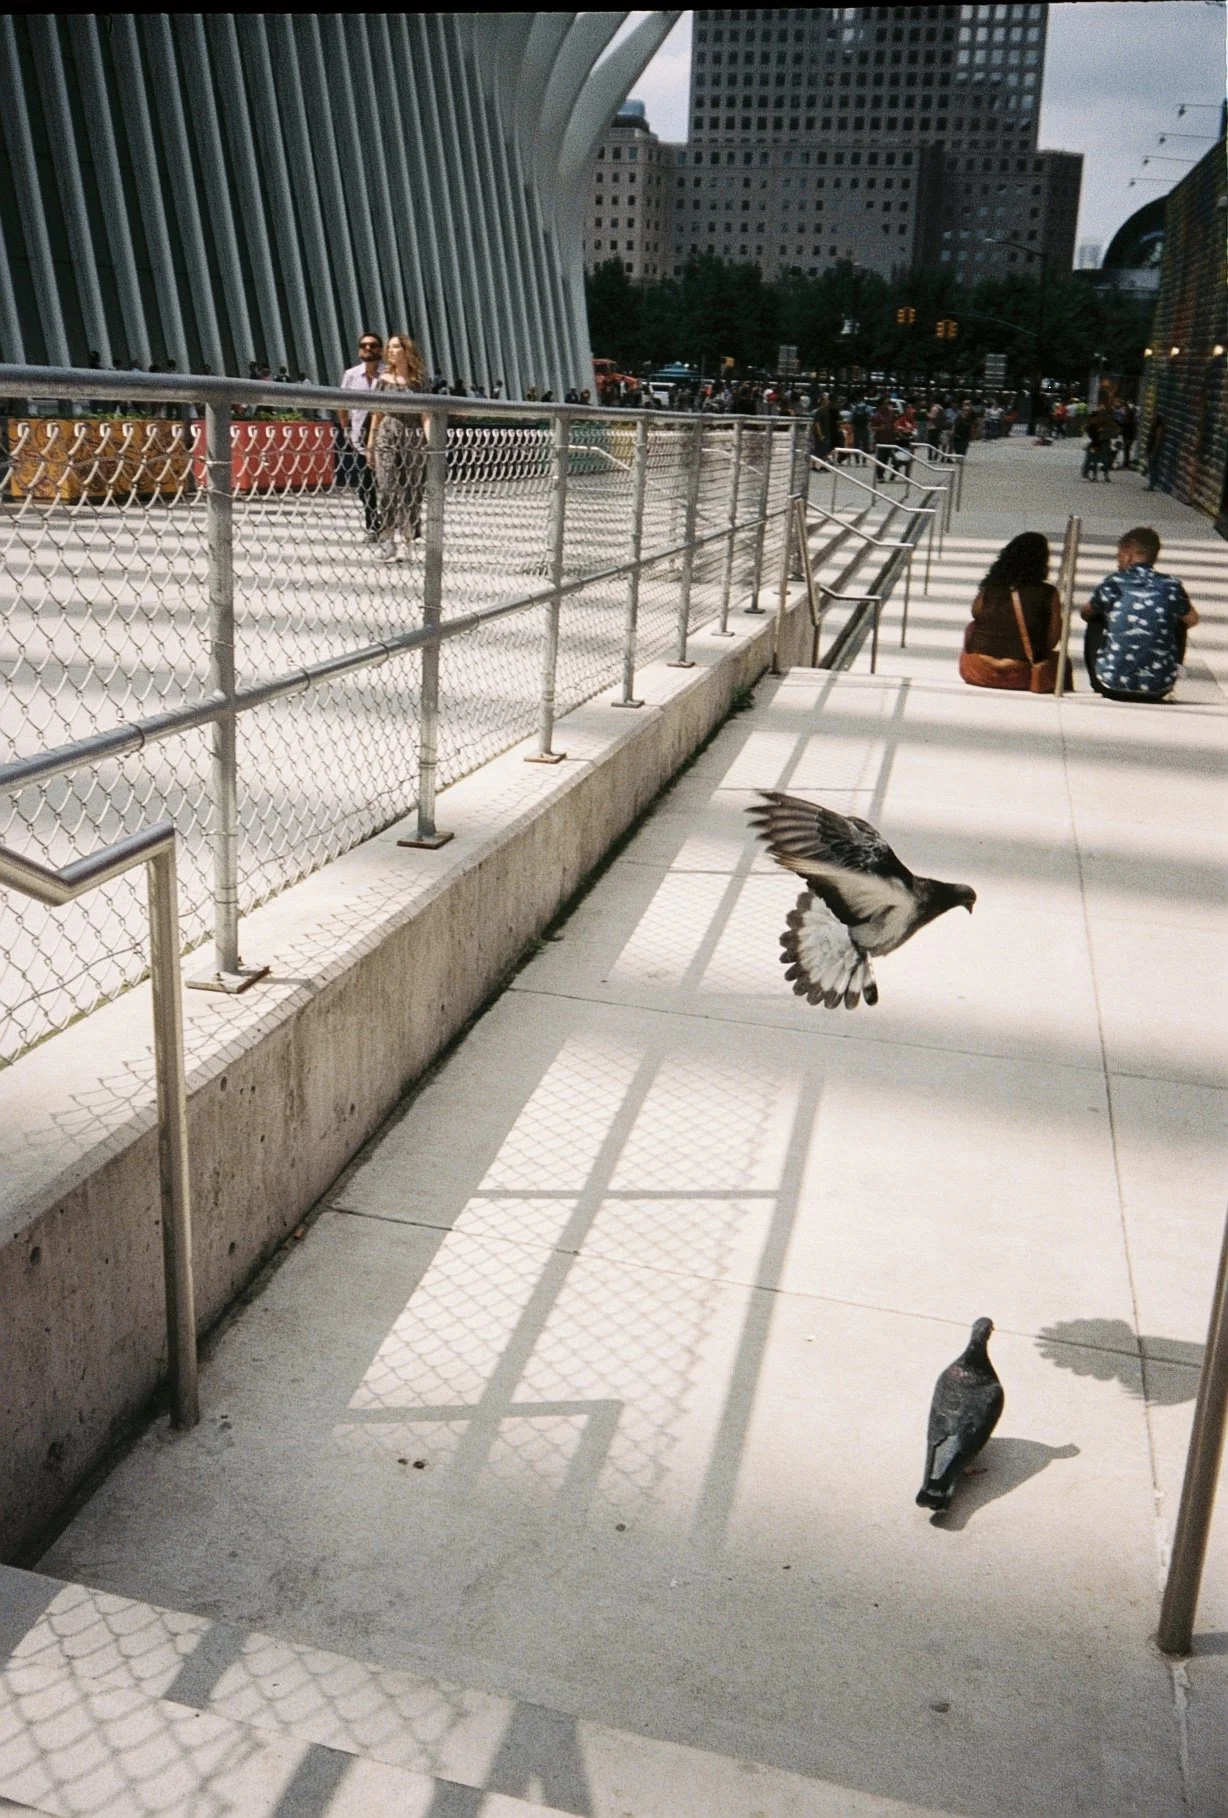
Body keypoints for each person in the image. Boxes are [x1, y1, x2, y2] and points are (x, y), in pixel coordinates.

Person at [1081, 527, 1198, 703]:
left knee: (1095, 617)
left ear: (1128, 555)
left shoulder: (1113, 583)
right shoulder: (1171, 585)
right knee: (1180, 621)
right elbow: (1192, 619)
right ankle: (1164, 674)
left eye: (1118, 556)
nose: (1117, 562)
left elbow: (1085, 613)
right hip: (1158, 689)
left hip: (1109, 685)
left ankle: (1104, 672)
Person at [958, 532, 1064, 693]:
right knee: (1061, 662)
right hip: (1020, 675)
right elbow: (1052, 641)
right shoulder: (1049, 593)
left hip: (978, 671)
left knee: (972, 627)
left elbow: (975, 613)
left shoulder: (992, 587)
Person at [367, 333, 428, 560]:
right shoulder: (383, 380)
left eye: (396, 347)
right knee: (387, 487)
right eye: (389, 347)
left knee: (412, 489)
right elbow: (376, 413)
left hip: (412, 435)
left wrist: (431, 443)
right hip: (387, 434)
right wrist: (371, 442)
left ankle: (407, 539)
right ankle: (388, 538)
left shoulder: (419, 382)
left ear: (406, 350)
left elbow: (426, 415)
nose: (391, 351)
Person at [339, 333, 384, 538]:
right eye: (363, 345)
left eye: (372, 345)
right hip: (360, 438)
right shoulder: (351, 375)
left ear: (380, 350)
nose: (367, 349)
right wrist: (346, 428)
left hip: (385, 437)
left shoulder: (387, 375)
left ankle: (390, 522)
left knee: (387, 483)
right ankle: (373, 524)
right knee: (364, 486)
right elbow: (341, 403)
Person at [1144, 414, 1166, 491]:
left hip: (1154, 451)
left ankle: (1151, 485)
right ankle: (1151, 484)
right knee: (1151, 468)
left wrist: (1154, 452)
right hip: (1151, 450)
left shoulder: (1159, 429)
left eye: (1153, 419)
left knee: (1152, 468)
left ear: (1157, 420)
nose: (1152, 421)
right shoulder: (1153, 428)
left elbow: (1157, 442)